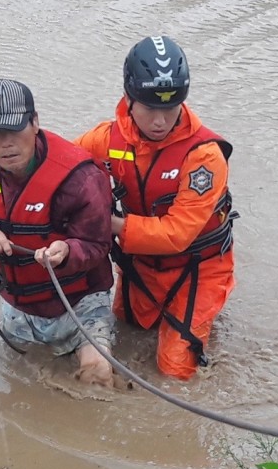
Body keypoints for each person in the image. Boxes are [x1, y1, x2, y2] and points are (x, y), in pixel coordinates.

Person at [74, 36, 236, 380]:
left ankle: (201, 325)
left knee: (175, 371)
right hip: (141, 266)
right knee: (126, 330)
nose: (160, 121)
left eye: (170, 108)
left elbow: (177, 235)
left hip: (198, 268)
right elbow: (58, 167)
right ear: (129, 100)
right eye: (150, 108)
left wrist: (110, 223)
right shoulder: (106, 140)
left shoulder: (204, 156)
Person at [0, 78, 117, 386]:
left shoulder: (81, 177)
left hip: (81, 304)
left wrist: (68, 252)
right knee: (18, 390)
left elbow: (99, 244)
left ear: (34, 123)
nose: (6, 143)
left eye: (14, 130)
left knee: (98, 378)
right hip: (18, 309)